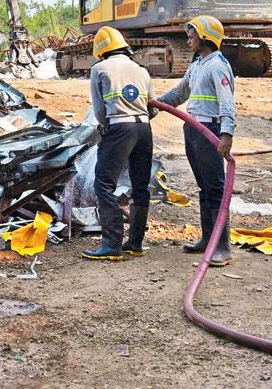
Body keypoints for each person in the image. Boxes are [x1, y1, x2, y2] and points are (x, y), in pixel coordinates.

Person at [157, 15, 236, 267]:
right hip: (193, 129)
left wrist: (226, 133)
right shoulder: (198, 64)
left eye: (193, 35)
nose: (189, 39)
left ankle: (222, 247)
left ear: (206, 37)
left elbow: (226, 102)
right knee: (204, 186)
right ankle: (207, 240)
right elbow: (180, 93)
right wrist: (156, 105)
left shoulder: (218, 65)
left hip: (210, 130)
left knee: (215, 188)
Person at [82, 26, 155, 261]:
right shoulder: (141, 70)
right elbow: (152, 107)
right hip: (144, 128)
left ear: (101, 51)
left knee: (104, 183)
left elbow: (99, 110)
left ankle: (111, 244)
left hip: (119, 127)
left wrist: (107, 129)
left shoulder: (99, 69)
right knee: (140, 185)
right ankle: (135, 243)